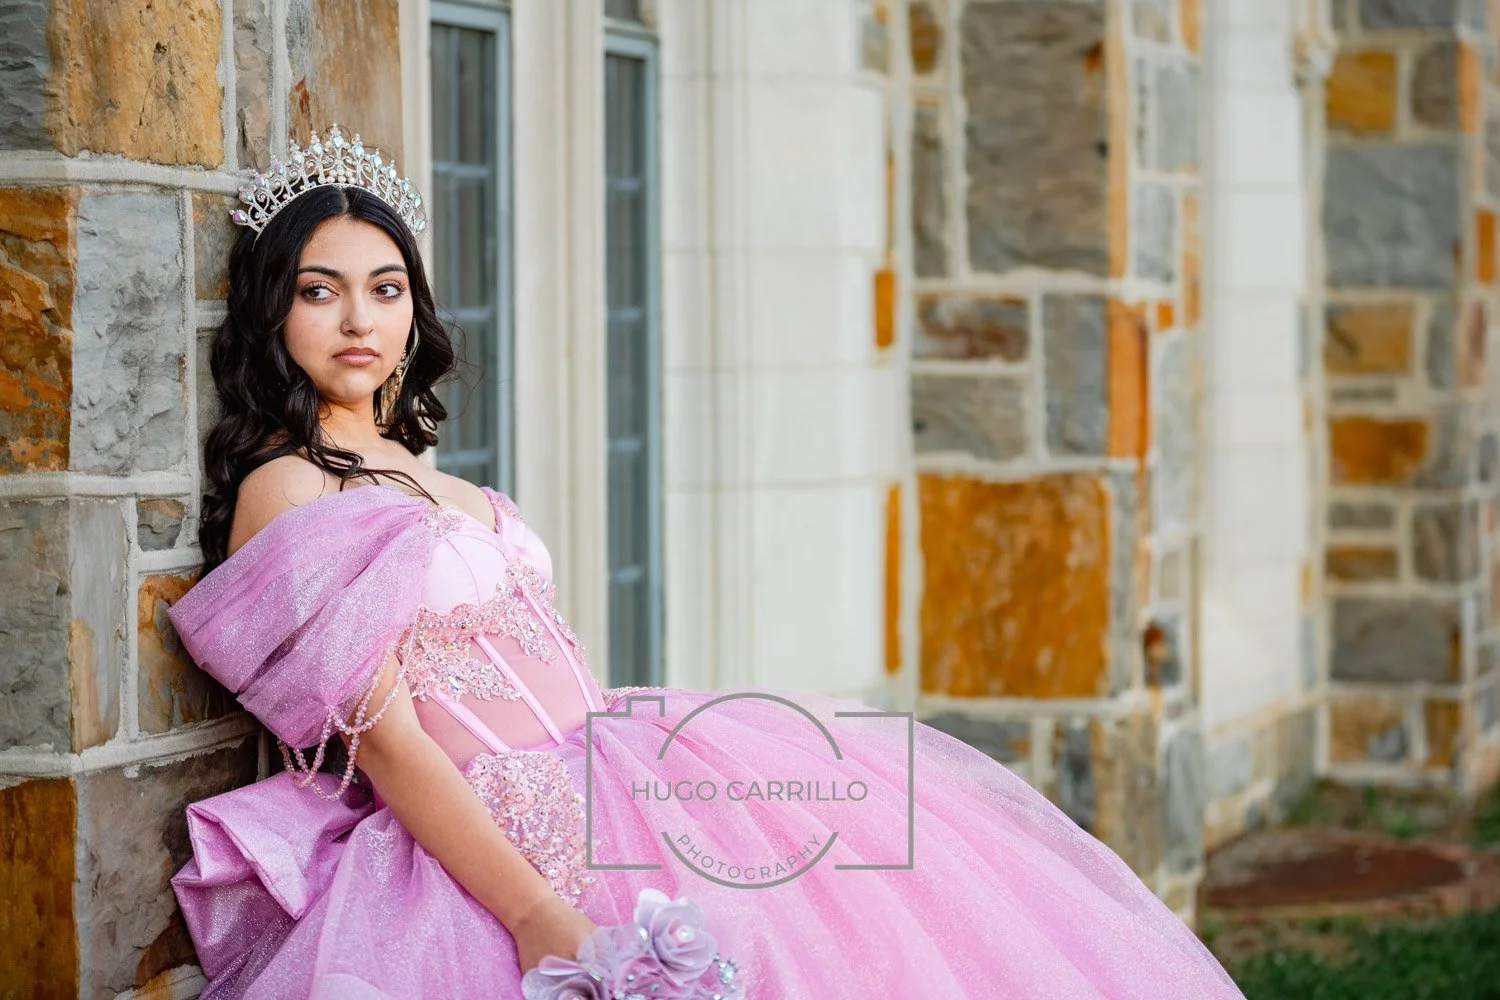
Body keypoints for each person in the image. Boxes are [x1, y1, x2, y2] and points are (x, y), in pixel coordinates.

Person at [165, 124, 1246, 999]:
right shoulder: (289, 486)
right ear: (273, 306)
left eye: (386, 287)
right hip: (496, 832)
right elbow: (390, 748)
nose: (360, 317)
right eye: (321, 289)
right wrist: (540, 914)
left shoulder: (407, 457)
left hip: (629, 762)